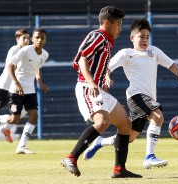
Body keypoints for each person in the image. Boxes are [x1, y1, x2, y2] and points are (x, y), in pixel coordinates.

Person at [82, 19, 178, 169]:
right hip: (136, 95)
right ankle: (149, 157)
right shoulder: (126, 53)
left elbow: (171, 64)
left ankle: (100, 142)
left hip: (148, 98)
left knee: (129, 137)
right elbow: (107, 67)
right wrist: (107, 76)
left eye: (147, 36)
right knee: (158, 116)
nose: (145, 40)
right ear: (132, 38)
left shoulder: (154, 51)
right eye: (141, 36)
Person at [60, 6, 142, 178]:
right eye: (118, 24)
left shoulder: (106, 40)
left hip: (99, 89)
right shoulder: (97, 36)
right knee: (102, 121)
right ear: (106, 23)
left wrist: (104, 75)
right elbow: (82, 59)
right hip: (87, 87)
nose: (120, 28)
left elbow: (97, 61)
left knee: (125, 125)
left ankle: (120, 170)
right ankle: (71, 157)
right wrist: (91, 82)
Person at [0, 28, 49, 154]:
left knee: (33, 115)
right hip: (8, 88)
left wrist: (40, 82)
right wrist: (17, 83)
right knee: (7, 116)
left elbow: (37, 67)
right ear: (33, 39)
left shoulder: (45, 54)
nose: (39, 40)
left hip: (29, 90)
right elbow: (11, 66)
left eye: (42, 38)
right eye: (36, 37)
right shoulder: (20, 50)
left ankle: (21, 145)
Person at [0, 29, 30, 143]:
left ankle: (6, 128)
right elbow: (11, 68)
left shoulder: (27, 52)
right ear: (17, 39)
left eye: (28, 38)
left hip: (13, 89)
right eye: (24, 38)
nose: (27, 40)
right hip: (3, 87)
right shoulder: (14, 50)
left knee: (25, 109)